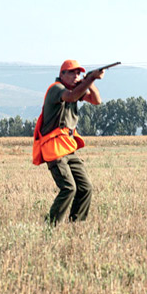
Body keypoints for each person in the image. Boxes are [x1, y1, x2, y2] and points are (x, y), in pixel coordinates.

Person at [32, 60, 105, 226]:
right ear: (62, 74)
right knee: (69, 188)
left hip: (67, 148)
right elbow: (71, 96)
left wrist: (90, 80)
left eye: (78, 73)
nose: (76, 76)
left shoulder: (75, 89)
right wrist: (90, 79)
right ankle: (50, 226)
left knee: (85, 187)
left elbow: (97, 100)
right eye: (72, 72)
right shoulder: (56, 89)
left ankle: (76, 225)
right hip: (53, 149)